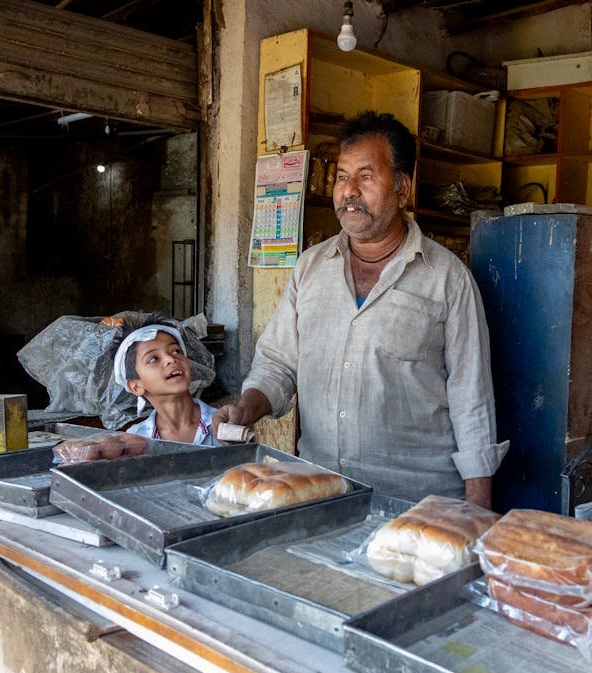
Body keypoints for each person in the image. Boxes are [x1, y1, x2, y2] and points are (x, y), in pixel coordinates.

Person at [213, 111, 507, 508]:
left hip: (415, 501)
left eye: (366, 176)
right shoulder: (310, 267)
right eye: (341, 176)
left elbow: (471, 396)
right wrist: (247, 407)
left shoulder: (446, 277)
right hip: (319, 491)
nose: (348, 191)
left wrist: (477, 512)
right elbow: (278, 363)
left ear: (403, 187)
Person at [112, 313, 219, 446]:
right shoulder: (135, 441)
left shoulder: (223, 423)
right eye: (153, 359)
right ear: (136, 387)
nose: (171, 359)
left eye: (176, 351)